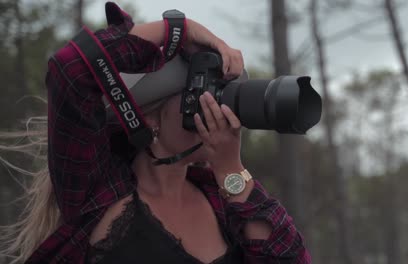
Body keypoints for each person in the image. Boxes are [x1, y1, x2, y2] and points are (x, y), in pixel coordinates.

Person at [1, 2, 311, 263]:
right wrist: (180, 28)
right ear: (148, 120)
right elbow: (69, 70)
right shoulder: (96, 190)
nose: (218, 105)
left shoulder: (224, 201)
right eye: (202, 93)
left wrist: (231, 170)